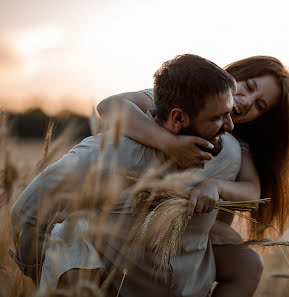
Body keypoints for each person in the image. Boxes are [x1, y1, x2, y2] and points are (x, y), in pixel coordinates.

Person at [10, 54, 241, 296]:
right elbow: (26, 215)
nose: (230, 125)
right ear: (178, 118)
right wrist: (52, 280)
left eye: (229, 113)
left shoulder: (228, 153)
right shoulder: (104, 157)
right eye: (218, 117)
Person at [97, 55, 289, 297]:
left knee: (248, 265)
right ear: (235, 74)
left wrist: (215, 185)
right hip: (130, 216)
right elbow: (109, 107)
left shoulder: (240, 144)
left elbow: (251, 192)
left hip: (191, 233)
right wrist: (168, 142)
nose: (247, 101)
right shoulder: (188, 97)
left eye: (260, 106)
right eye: (249, 87)